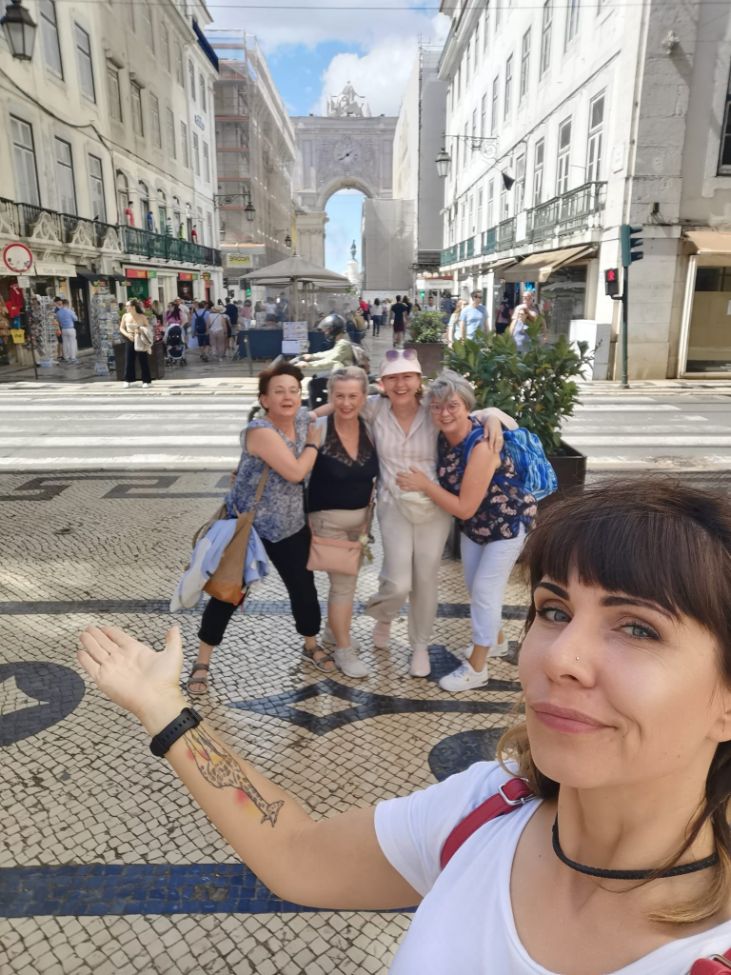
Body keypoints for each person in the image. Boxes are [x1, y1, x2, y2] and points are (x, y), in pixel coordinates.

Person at [79, 478, 731, 973]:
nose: (560, 657)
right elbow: (295, 853)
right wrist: (164, 709)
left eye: (637, 628)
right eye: (554, 611)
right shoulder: (483, 811)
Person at [315, 349, 509, 678]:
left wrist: (493, 419)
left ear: (419, 380)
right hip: (392, 505)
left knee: (425, 578)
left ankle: (419, 645)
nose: (400, 384)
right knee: (398, 581)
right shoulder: (375, 409)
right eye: (392, 378)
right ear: (382, 383)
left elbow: (473, 411)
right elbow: (340, 405)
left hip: (434, 506)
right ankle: (384, 614)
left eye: (407, 377)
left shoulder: (434, 408)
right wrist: (307, 416)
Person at [184, 361, 334, 694]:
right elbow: (295, 472)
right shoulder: (259, 431)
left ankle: (310, 643)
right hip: (249, 527)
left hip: (290, 525)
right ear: (264, 399)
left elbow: (322, 410)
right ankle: (202, 661)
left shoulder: (300, 419)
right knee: (227, 593)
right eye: (279, 391)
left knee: (303, 589)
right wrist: (313, 444)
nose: (288, 397)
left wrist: (360, 396)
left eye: (294, 391)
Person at [397, 371, 536, 691]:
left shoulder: (482, 446)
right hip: (476, 528)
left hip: (507, 523)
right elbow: (488, 413)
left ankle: (477, 668)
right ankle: (496, 641)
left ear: (466, 407)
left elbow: (464, 507)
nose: (444, 413)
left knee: (485, 592)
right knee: (476, 589)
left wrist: (424, 485)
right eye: (437, 407)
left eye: (452, 406)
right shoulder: (446, 435)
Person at [308, 366, 379, 678]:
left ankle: (331, 633)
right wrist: (320, 411)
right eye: (339, 396)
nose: (347, 403)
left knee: (345, 585)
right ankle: (344, 649)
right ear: (330, 396)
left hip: (362, 524)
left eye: (353, 396)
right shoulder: (319, 428)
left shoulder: (370, 426)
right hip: (328, 521)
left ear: (364, 397)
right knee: (344, 586)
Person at [119, 299, 153, 388]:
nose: (126, 307)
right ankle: (128, 380)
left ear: (133, 307)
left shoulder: (142, 316)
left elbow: (148, 327)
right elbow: (121, 328)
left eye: (127, 306)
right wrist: (127, 335)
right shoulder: (125, 316)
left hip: (140, 339)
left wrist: (141, 329)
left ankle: (146, 380)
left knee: (143, 359)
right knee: (129, 360)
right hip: (130, 338)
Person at [53, 297, 79, 364]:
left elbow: (57, 320)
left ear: (62, 304)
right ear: (67, 304)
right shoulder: (70, 311)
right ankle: (73, 358)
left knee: (65, 344)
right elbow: (76, 319)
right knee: (72, 343)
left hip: (63, 329)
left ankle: (66, 357)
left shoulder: (58, 312)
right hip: (70, 329)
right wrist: (73, 312)